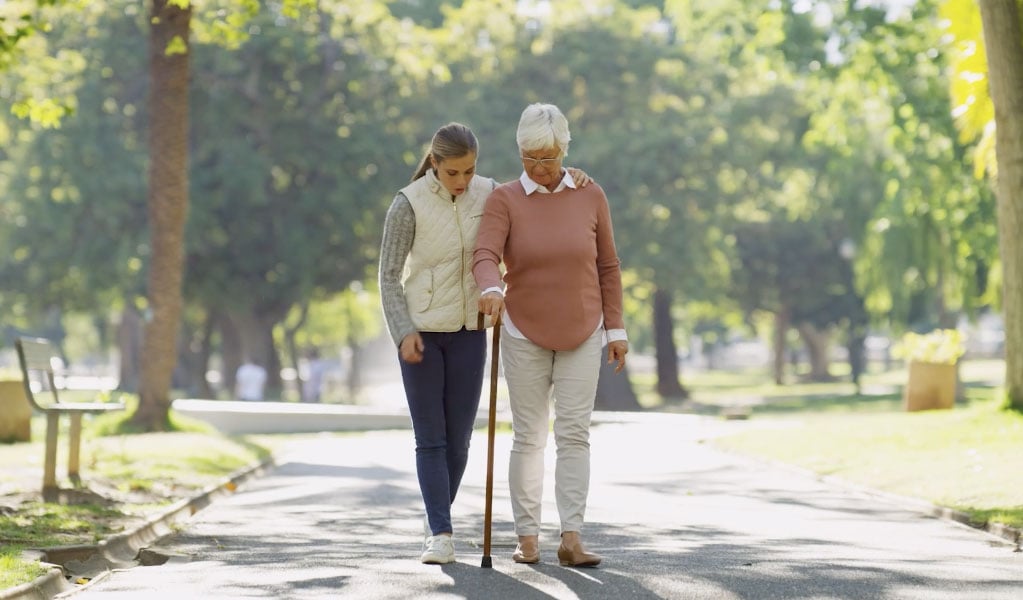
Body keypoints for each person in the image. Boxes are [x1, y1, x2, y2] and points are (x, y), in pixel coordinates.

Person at [378, 122, 592, 565]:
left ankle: (436, 512)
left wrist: (575, 180)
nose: (462, 181)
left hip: (471, 333)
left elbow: (536, 203)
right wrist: (403, 332)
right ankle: (441, 531)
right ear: (434, 164)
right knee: (431, 438)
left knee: (459, 442)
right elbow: (388, 277)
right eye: (453, 172)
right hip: (421, 334)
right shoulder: (407, 204)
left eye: (469, 171)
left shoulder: (493, 194)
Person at [473, 103, 628, 568]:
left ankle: (571, 537)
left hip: (584, 329)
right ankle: (526, 537)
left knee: (575, 435)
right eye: (530, 159)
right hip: (523, 329)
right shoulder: (504, 199)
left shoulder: (590, 193)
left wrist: (616, 327)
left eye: (548, 158)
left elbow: (608, 265)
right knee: (529, 436)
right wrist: (491, 286)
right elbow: (484, 253)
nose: (540, 169)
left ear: (564, 149)